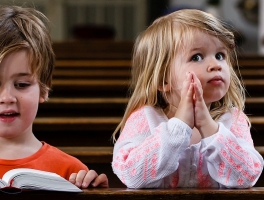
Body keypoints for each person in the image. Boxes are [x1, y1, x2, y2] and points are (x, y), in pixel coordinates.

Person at [0, 5, 108, 189]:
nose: (7, 98)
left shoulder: (71, 173)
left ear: (44, 88)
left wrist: (96, 194)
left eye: (22, 85)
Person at [111, 9, 263, 188]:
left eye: (220, 55)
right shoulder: (145, 118)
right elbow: (130, 175)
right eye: (197, 57)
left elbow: (246, 177)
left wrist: (209, 127)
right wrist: (179, 125)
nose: (216, 65)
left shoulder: (232, 120)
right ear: (163, 79)